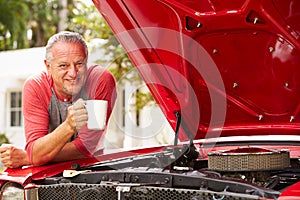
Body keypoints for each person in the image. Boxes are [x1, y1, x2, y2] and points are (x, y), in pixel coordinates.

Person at [0, 31, 117, 168]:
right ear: (48, 67)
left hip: (92, 170)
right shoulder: (36, 86)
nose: (73, 73)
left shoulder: (100, 80)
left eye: (79, 63)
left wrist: (28, 158)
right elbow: (35, 150)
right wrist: (68, 126)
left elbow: (86, 148)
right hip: (49, 173)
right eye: (63, 66)